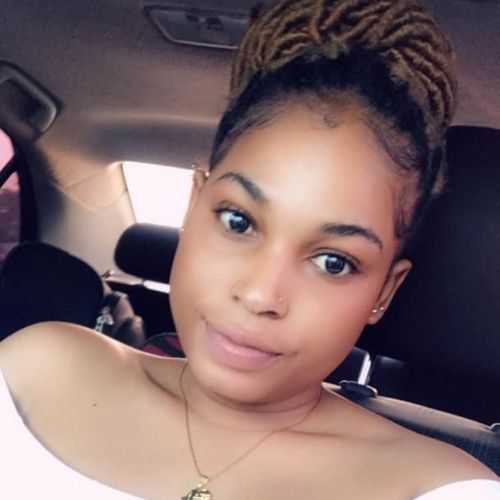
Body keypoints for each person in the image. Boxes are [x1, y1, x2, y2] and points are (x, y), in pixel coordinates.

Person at [0, 0, 499, 498]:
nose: (261, 294)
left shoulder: (449, 490)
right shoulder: (35, 371)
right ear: (194, 206)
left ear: (384, 291)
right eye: (238, 222)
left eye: (333, 262)